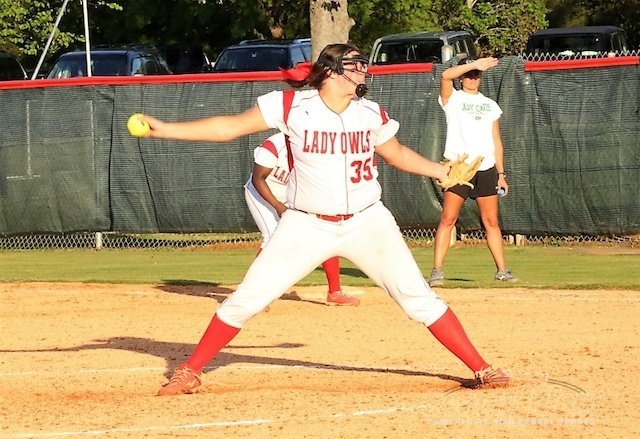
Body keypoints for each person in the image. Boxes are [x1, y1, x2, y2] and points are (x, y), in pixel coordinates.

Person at [136, 43, 509, 396]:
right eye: (354, 63)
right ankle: (191, 371)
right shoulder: (290, 106)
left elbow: (395, 154)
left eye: (363, 63)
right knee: (248, 298)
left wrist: (440, 171)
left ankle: (481, 367)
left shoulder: (370, 112)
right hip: (306, 224)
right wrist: (166, 129)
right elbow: (228, 128)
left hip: (367, 221)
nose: (363, 69)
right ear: (330, 70)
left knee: (418, 298)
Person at [428, 56, 518, 287]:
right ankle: (437, 271)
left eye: (476, 75)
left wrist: (501, 174)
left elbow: (496, 141)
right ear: (462, 77)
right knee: (448, 218)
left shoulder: (490, 104)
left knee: (491, 221)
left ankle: (502, 270)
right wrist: (473, 65)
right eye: (469, 75)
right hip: (460, 167)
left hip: (485, 168)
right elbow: (445, 75)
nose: (472, 78)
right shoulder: (453, 99)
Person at [245, 132, 359, 306]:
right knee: (271, 238)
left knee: (325, 234)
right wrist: (278, 206)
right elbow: (258, 179)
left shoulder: (315, 148)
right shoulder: (274, 146)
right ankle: (251, 293)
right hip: (261, 194)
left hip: (292, 195)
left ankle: (335, 292)